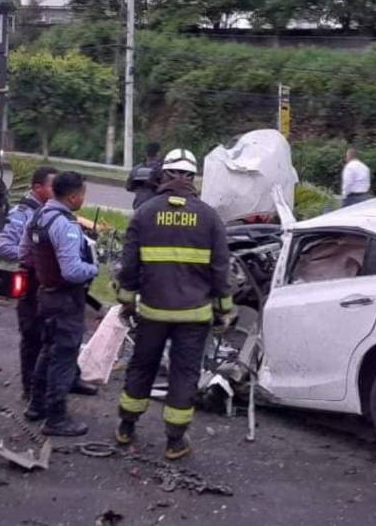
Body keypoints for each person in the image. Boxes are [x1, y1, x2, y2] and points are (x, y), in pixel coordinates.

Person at [115, 148, 232, 460]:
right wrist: (224, 310)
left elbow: (129, 267)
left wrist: (127, 303)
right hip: (194, 317)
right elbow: (221, 269)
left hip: (152, 312)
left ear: (162, 176)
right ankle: (174, 441)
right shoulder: (209, 218)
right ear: (192, 178)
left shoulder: (144, 213)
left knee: (142, 366)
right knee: (184, 374)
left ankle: (126, 427)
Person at [20, 172, 99, 436]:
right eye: (83, 196)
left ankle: (36, 405)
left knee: (48, 350)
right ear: (74, 196)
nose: (83, 200)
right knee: (63, 357)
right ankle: (56, 418)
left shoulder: (38, 216)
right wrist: (94, 267)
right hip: (66, 299)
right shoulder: (65, 224)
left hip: (46, 294)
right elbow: (72, 271)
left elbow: (24, 253)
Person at [0, 167, 57, 399]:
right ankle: (29, 389)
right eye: (52, 185)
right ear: (37, 188)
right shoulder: (22, 213)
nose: (56, 190)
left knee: (53, 334)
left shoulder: (51, 212)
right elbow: (2, 246)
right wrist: (32, 255)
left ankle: (58, 382)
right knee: (32, 336)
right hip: (31, 282)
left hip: (49, 284)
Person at [126, 142, 162, 210]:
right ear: (158, 153)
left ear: (146, 153)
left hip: (138, 206)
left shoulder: (136, 169)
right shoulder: (162, 170)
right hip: (155, 207)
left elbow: (129, 187)